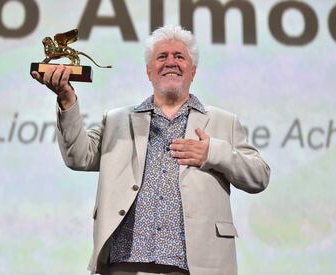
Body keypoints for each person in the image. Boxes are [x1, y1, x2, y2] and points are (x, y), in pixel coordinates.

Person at [32, 25, 270, 275]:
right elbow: (78, 157)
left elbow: (259, 176)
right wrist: (67, 100)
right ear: (149, 71)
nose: (171, 62)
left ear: (193, 71)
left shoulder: (224, 121)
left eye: (179, 56)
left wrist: (213, 153)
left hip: (195, 266)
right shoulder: (117, 120)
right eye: (161, 56)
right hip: (124, 265)